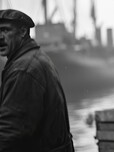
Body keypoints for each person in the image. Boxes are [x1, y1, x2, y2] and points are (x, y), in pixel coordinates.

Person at [0, 9, 74, 152]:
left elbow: (9, 133)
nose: (0, 37)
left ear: (22, 32)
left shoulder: (23, 70)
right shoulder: (37, 57)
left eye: (5, 30)